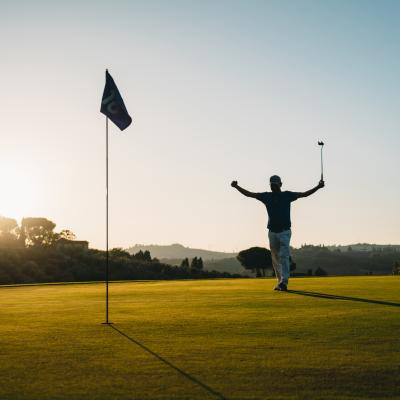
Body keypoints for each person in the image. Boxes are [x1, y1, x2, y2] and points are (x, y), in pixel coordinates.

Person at [231, 175, 324, 291]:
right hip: (272, 233)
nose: (273, 186)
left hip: (285, 232)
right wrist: (237, 187)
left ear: (280, 184)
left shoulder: (287, 195)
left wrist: (318, 187)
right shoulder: (266, 196)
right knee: (275, 258)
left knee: (284, 256)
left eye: (275, 184)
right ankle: (280, 282)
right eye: (272, 184)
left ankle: (284, 282)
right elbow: (249, 194)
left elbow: (304, 194)